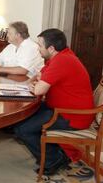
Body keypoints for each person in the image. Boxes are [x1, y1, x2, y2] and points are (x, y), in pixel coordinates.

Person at [14, 28, 94, 176]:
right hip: (60, 108)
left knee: (22, 129)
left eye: (40, 45)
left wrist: (35, 86)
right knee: (20, 118)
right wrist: (32, 84)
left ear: (51, 48)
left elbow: (38, 90)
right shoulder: (61, 56)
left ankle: (54, 159)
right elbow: (39, 75)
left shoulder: (63, 60)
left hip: (73, 116)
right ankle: (53, 152)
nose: (38, 49)